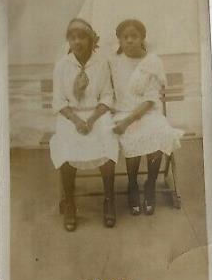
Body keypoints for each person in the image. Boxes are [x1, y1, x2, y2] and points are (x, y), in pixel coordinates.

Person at [50, 18, 118, 231]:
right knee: (66, 145)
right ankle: (70, 202)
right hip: (70, 116)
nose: (77, 42)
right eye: (73, 37)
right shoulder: (62, 65)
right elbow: (59, 101)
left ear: (91, 40)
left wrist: (90, 119)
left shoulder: (101, 63)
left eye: (82, 37)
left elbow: (107, 96)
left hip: (96, 115)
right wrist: (77, 120)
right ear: (68, 41)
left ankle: (109, 200)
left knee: (108, 139)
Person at [109, 19, 183, 215]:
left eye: (134, 36)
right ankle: (132, 185)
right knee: (131, 136)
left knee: (157, 133)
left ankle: (150, 184)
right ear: (119, 40)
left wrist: (127, 121)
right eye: (125, 37)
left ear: (142, 38)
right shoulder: (114, 62)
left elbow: (151, 100)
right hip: (123, 112)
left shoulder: (153, 62)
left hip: (147, 111)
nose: (130, 41)